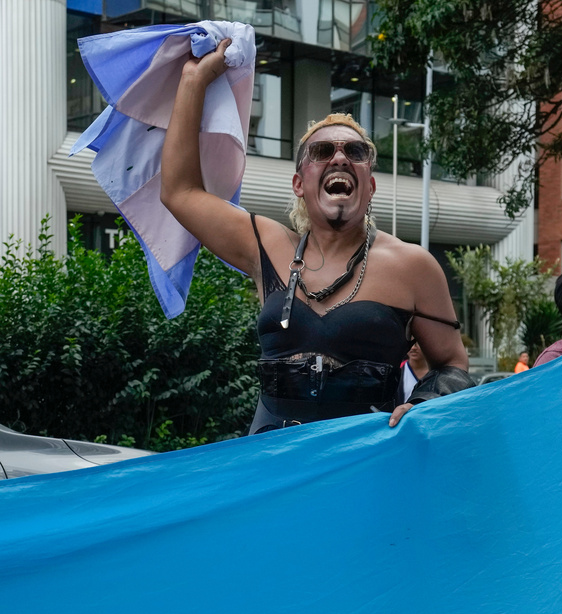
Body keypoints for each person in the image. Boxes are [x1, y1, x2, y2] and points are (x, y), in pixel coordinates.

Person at [160, 39, 473, 433]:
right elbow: (179, 192)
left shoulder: (413, 265)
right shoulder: (267, 244)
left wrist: (425, 404)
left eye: (355, 152)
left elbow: (452, 365)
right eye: (322, 151)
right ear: (298, 183)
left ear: (370, 186)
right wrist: (194, 80)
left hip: (364, 470)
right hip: (274, 467)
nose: (339, 158)